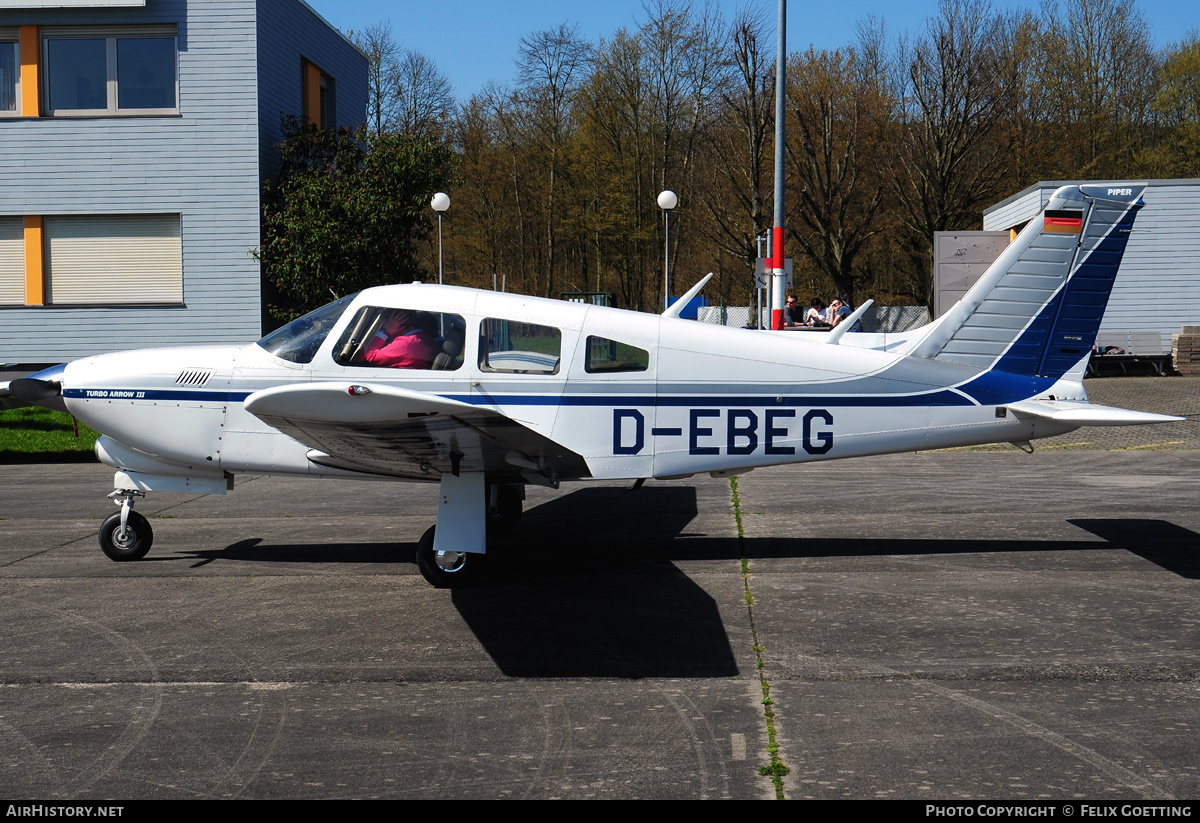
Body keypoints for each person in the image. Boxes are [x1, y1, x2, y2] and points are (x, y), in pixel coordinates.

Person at [361, 309, 438, 369]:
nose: (383, 327)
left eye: (384, 325)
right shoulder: (426, 339)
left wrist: (385, 332)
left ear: (397, 322)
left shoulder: (406, 343)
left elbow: (369, 357)